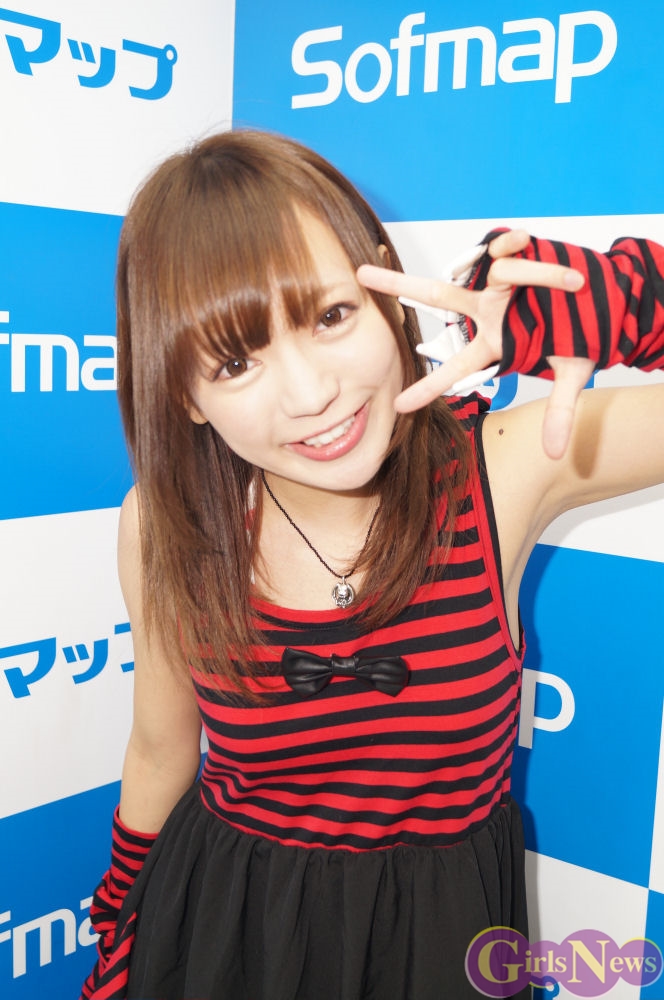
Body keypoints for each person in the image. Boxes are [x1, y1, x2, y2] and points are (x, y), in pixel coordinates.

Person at [80, 129, 664, 1000]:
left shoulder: (504, 467)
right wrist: (120, 932)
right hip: (227, 930)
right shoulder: (167, 526)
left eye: (330, 316)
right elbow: (161, 753)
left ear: (385, 288)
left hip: (441, 941)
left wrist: (629, 306)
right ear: (185, 399)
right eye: (235, 362)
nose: (311, 393)